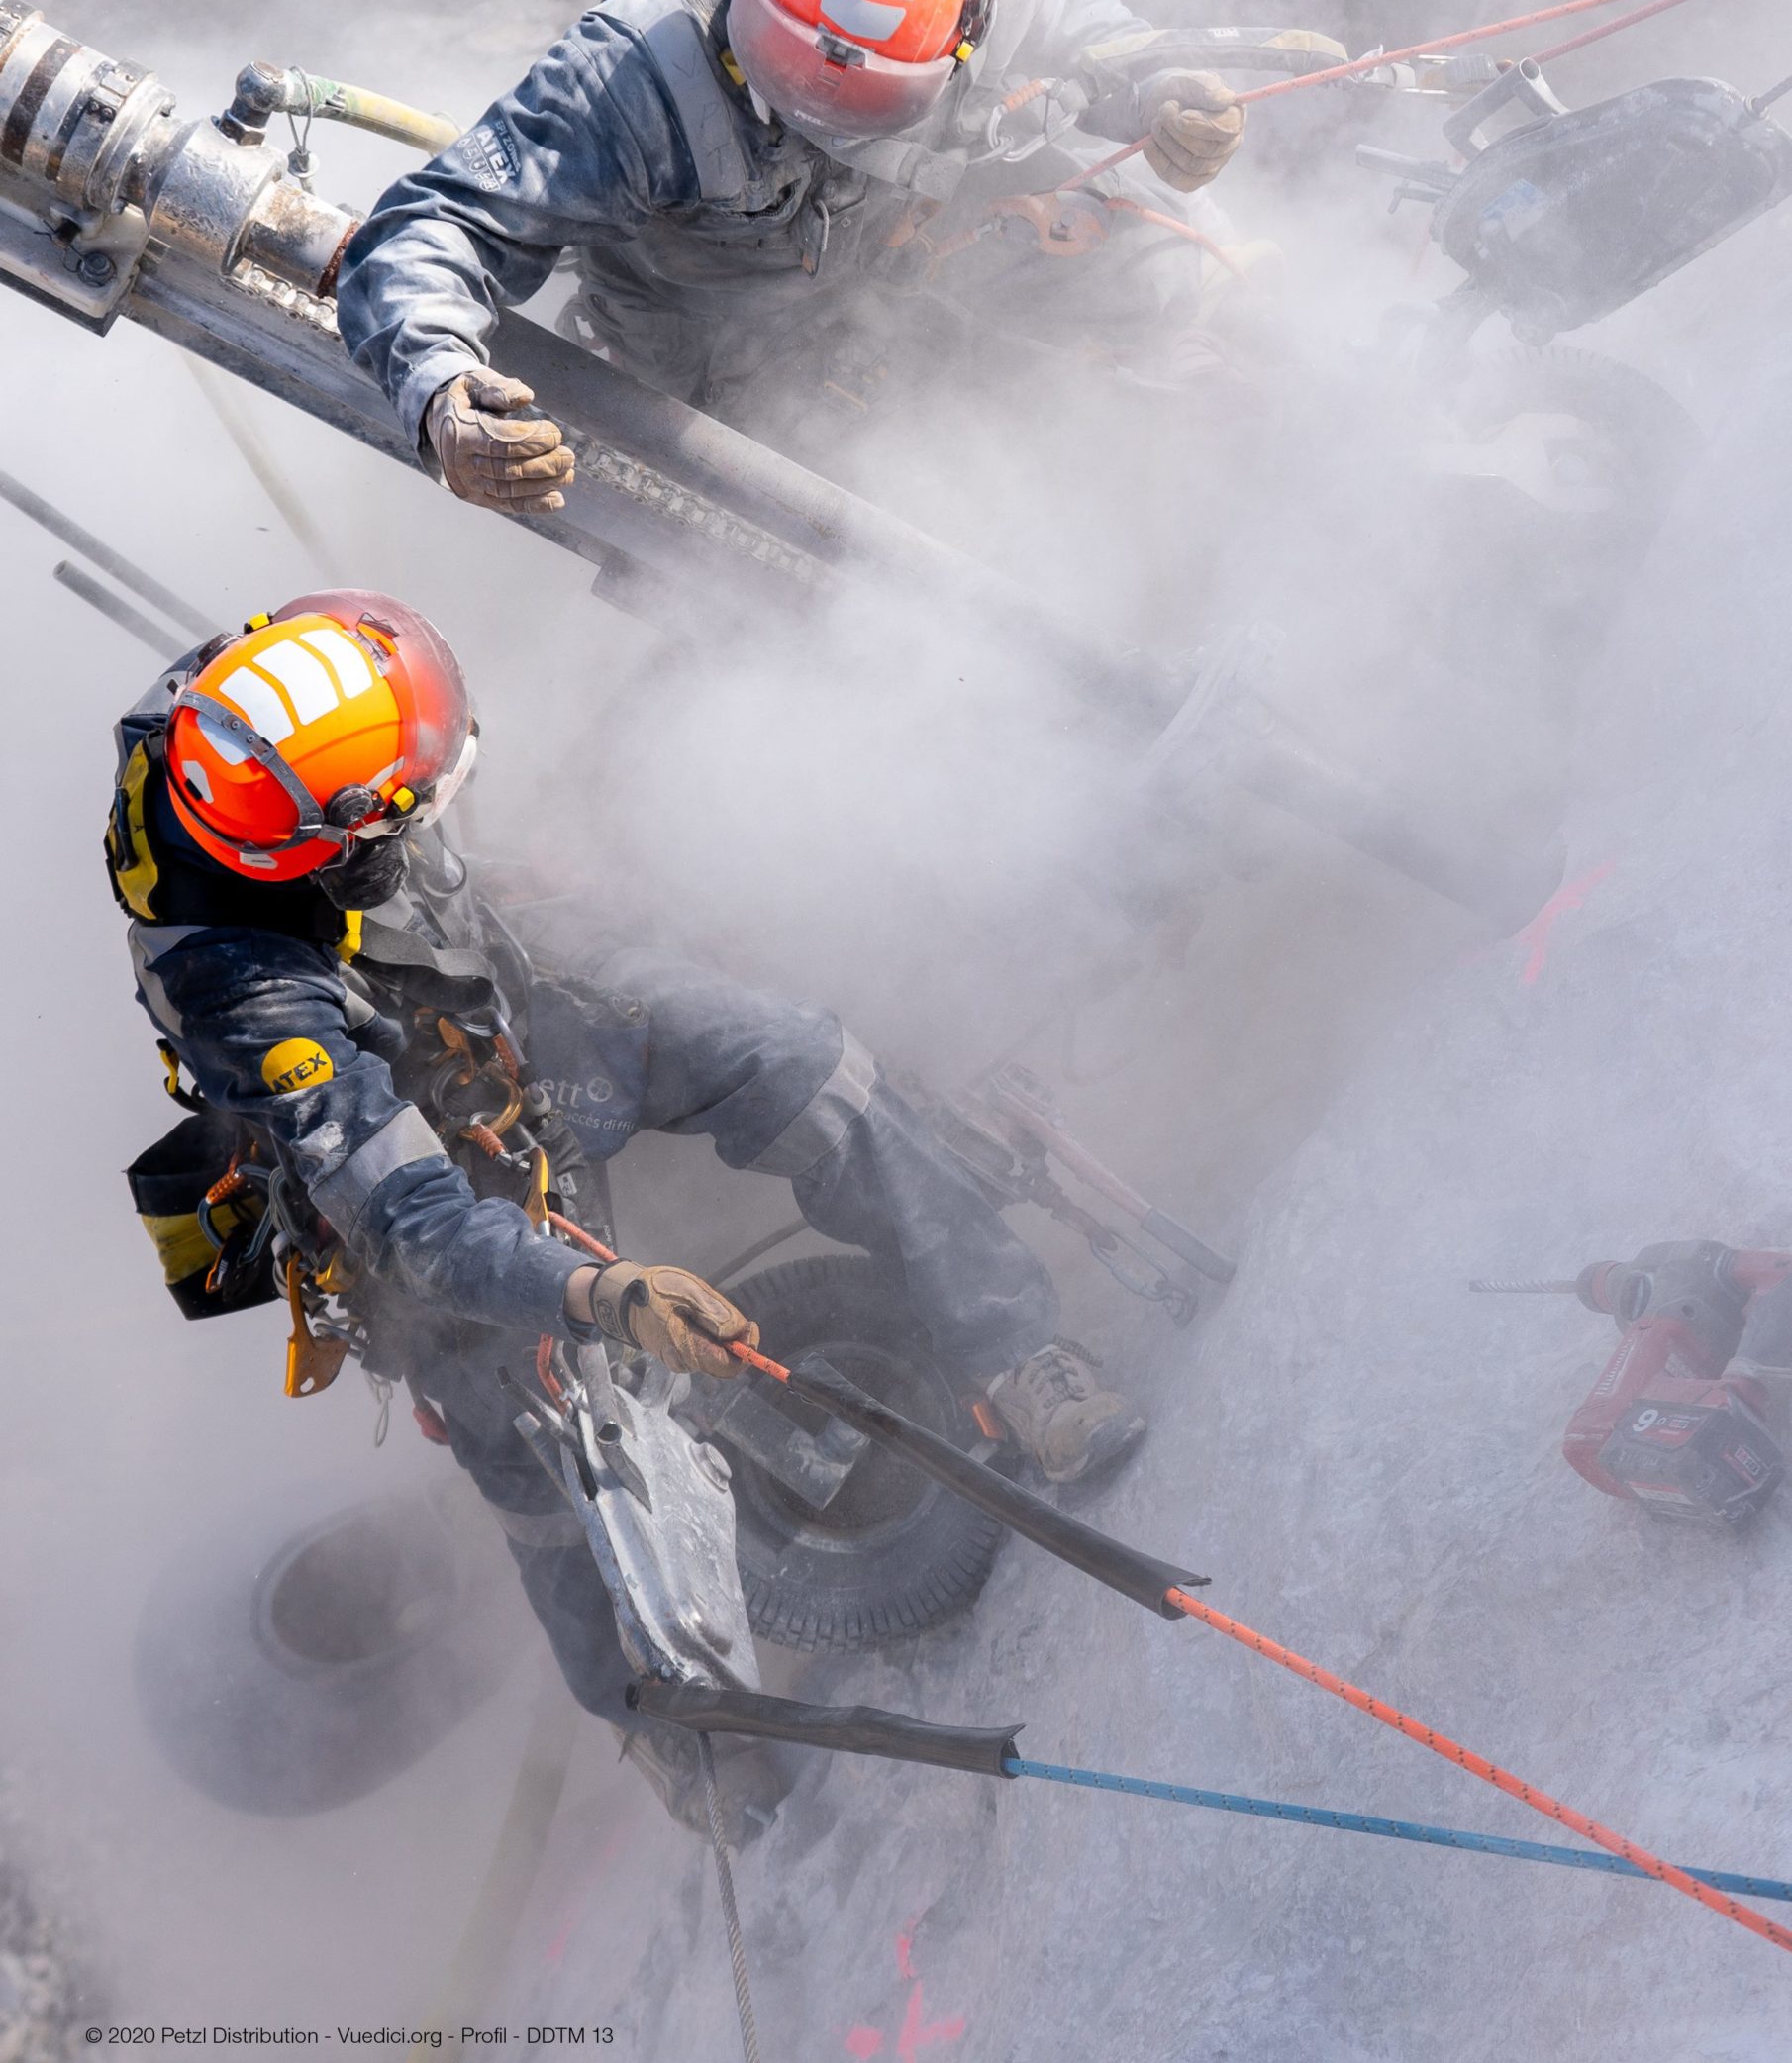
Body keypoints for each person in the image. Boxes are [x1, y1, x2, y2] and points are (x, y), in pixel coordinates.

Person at [109, 590, 1145, 1827]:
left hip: (486, 980)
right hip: (407, 1163)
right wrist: (598, 1290)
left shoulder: (233, 716)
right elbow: (412, 1223)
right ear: (340, 839)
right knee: (526, 1438)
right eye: (413, 799)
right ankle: (665, 1723)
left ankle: (1013, 1354)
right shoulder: (244, 998)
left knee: (795, 1063)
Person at [335, 0, 1343, 514]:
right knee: (775, 522)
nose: (815, 122)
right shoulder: (640, 67)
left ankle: (1262, 415)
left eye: (858, 106)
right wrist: (440, 391)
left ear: (968, 23)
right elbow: (429, 230)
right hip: (715, 326)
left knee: (1148, 248)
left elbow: (1096, 32)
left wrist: (1158, 91)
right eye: (785, 80)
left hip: (904, 244)